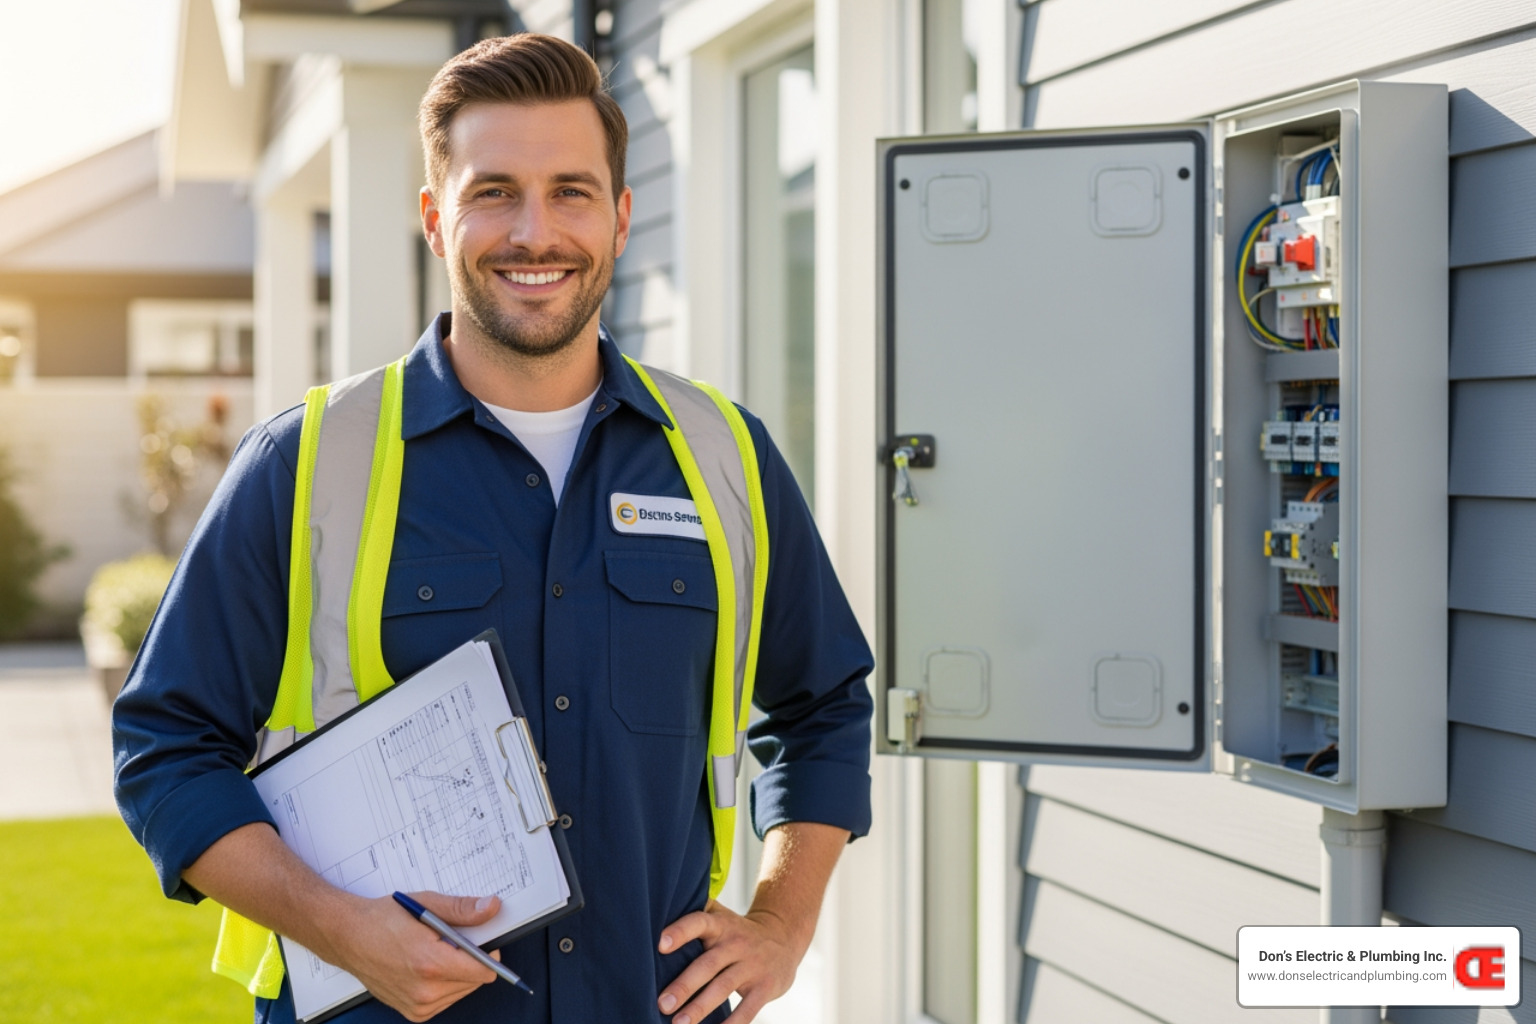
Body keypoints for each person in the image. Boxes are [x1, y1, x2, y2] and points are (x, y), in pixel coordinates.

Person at [112, 33, 873, 1024]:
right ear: (436, 218)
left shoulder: (724, 457)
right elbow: (164, 747)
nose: (534, 230)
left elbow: (823, 706)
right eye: (493, 191)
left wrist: (783, 921)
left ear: (622, 217)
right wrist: (339, 926)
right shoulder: (304, 465)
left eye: (572, 191)